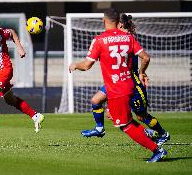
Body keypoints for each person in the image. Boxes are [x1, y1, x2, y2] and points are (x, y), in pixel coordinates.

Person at [69, 9, 167, 162]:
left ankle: (157, 150)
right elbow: (146, 58)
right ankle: (146, 133)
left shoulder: (99, 40)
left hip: (116, 89)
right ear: (117, 21)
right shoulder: (128, 37)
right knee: (118, 117)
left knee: (125, 125)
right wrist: (142, 72)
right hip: (128, 85)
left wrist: (75, 65)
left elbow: (87, 65)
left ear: (104, 21)